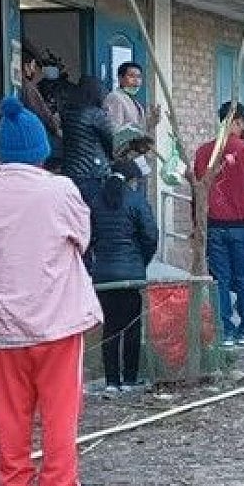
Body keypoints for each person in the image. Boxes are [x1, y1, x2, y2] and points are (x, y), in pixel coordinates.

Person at [0, 96, 106, 486]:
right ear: (41, 149)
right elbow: (82, 238)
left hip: (5, 322)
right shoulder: (60, 189)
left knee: (10, 412)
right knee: (60, 409)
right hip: (56, 319)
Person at [192, 102, 244, 347]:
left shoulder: (204, 151)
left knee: (220, 279)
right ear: (239, 121)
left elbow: (198, 191)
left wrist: (198, 224)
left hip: (213, 224)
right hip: (243, 226)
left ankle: (225, 330)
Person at [88, 159, 158, 397]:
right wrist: (140, 262)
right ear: (132, 180)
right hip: (130, 273)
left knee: (110, 327)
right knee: (131, 327)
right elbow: (150, 236)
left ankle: (111, 381)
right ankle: (129, 378)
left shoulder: (96, 201)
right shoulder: (137, 201)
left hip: (104, 274)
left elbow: (88, 238)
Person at [61, 77, 115, 206]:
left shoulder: (67, 113)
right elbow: (112, 141)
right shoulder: (96, 114)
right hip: (93, 172)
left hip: (70, 171)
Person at [19, 48, 63, 171]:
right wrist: (56, 129)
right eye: (33, 66)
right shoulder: (28, 88)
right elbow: (43, 113)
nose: (34, 70)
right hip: (35, 142)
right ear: (26, 66)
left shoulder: (19, 86)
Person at [103, 62, 158, 134]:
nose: (136, 80)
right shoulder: (115, 97)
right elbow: (114, 131)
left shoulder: (133, 100)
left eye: (139, 77)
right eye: (131, 76)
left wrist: (151, 122)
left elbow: (141, 129)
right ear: (120, 78)